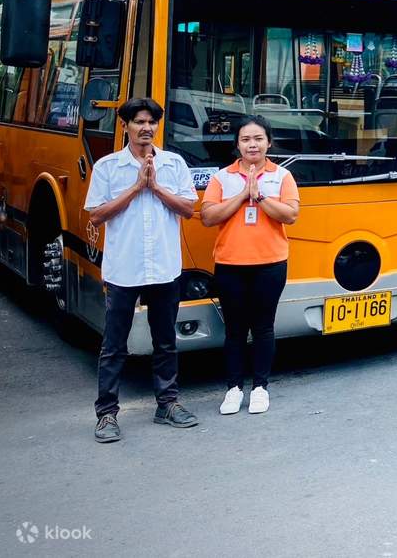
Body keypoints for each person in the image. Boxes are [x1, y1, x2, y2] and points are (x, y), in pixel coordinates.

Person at [84, 98, 198, 443]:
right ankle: (106, 414)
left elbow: (189, 209)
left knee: (165, 340)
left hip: (164, 267)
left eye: (151, 122)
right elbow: (96, 214)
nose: (146, 128)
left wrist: (156, 186)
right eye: (139, 122)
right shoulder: (108, 167)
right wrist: (136, 187)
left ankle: (167, 403)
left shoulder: (174, 163)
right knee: (114, 344)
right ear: (126, 126)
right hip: (124, 268)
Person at [200, 115, 300, 415]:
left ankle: (260, 387)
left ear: (268, 142)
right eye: (246, 139)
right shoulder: (222, 178)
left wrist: (261, 195)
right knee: (234, 329)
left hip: (270, 264)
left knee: (263, 328)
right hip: (231, 264)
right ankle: (233, 389)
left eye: (258, 139)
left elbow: (290, 215)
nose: (252, 144)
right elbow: (208, 217)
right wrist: (244, 194)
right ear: (237, 145)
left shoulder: (282, 177)